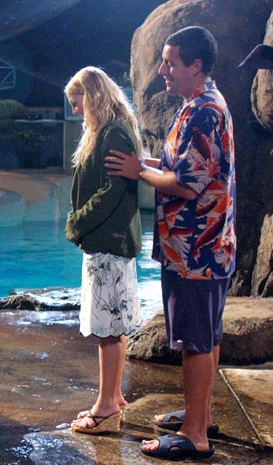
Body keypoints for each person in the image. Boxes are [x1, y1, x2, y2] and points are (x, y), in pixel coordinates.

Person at [105, 26, 235, 461]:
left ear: (196, 67)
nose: (161, 70)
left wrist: (136, 172)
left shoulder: (203, 113)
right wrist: (143, 163)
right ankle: (201, 414)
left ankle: (196, 436)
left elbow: (185, 184)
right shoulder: (198, 105)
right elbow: (178, 166)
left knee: (196, 341)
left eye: (170, 62)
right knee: (206, 336)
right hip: (203, 246)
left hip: (196, 249)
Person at [63, 66, 143, 434]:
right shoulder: (109, 130)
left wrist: (77, 221)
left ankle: (106, 404)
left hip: (107, 244)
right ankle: (114, 394)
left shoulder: (112, 134)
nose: (75, 109)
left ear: (93, 95)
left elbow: (113, 194)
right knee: (114, 324)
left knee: (107, 330)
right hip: (109, 243)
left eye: (77, 101)